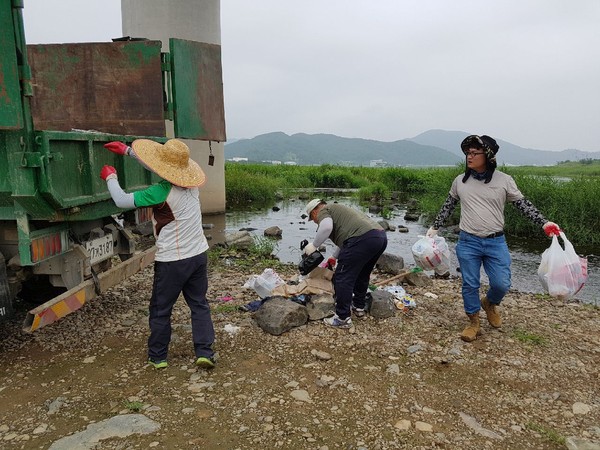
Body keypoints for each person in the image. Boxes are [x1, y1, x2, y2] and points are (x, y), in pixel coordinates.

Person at [426, 135, 560, 342]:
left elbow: (523, 205)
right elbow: (448, 205)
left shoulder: (504, 180)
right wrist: (435, 227)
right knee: (470, 284)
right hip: (468, 241)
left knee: (501, 284)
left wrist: (544, 223)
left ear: (487, 155)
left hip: (496, 241)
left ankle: (489, 303)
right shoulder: (460, 181)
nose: (469, 157)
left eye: (474, 153)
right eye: (467, 153)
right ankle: (473, 322)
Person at [100, 139, 216, 369]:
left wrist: (110, 177)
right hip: (198, 255)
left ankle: (158, 357)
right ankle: (205, 352)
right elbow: (162, 168)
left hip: (173, 260)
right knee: (199, 305)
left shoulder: (160, 192)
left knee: (161, 309)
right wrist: (129, 151)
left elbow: (121, 200)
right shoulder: (192, 186)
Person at [303, 199, 388, 328]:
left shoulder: (325, 210)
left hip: (362, 239)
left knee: (343, 277)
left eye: (313, 219)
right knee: (362, 274)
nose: (315, 222)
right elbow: (349, 238)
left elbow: (326, 227)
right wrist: (334, 256)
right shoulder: (340, 211)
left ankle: (343, 317)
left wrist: (314, 246)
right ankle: (358, 306)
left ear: (314, 212)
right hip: (379, 237)